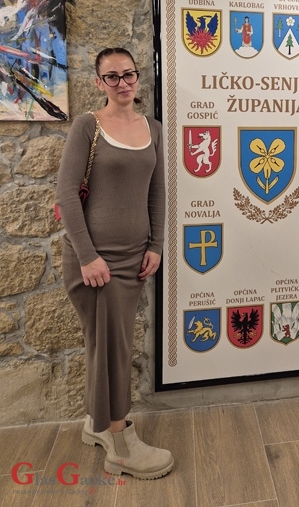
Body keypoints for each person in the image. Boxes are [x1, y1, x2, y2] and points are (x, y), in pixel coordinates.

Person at [56, 47, 173, 479]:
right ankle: (120, 444)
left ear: (137, 77)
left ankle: (96, 424)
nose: (122, 83)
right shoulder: (87, 126)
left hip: (133, 259)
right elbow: (67, 194)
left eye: (128, 74)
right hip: (94, 263)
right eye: (112, 76)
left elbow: (157, 192)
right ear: (98, 82)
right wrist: (88, 257)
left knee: (108, 345)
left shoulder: (153, 128)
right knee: (113, 349)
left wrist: (156, 244)